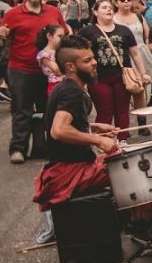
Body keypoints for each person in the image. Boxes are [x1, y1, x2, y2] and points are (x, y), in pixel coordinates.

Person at [32, 35, 118, 219]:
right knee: (132, 168)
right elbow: (59, 130)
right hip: (70, 172)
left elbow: (64, 122)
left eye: (93, 58)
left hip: (69, 167)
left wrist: (92, 127)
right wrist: (97, 140)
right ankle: (141, 225)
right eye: (87, 60)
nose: (95, 63)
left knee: (123, 159)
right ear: (70, 66)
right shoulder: (72, 91)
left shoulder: (66, 87)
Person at [0, 0, 67, 164]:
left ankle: (51, 147)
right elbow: (0, 41)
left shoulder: (53, 12)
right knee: (21, 110)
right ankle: (18, 149)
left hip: (49, 70)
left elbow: (65, 34)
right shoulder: (12, 14)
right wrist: (0, 35)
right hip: (21, 69)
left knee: (50, 109)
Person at [79, 0, 149, 129]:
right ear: (95, 12)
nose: (108, 10)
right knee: (105, 110)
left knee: (122, 110)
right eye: (104, 8)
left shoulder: (124, 30)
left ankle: (122, 139)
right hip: (98, 78)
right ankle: (104, 141)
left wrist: (143, 73)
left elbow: (135, 53)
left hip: (122, 77)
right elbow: (80, 55)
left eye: (110, 8)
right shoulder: (87, 32)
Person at [115, 0, 152, 135]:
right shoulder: (112, 19)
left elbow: (147, 35)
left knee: (140, 92)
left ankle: (142, 124)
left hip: (141, 55)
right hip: (122, 58)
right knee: (123, 93)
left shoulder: (138, 16)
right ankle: (124, 127)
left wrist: (148, 48)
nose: (126, 2)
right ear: (116, 2)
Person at [35, 24, 65, 95]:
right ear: (49, 36)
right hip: (56, 85)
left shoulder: (61, 50)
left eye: (63, 36)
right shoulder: (44, 54)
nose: (62, 39)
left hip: (66, 83)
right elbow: (57, 70)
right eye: (59, 36)